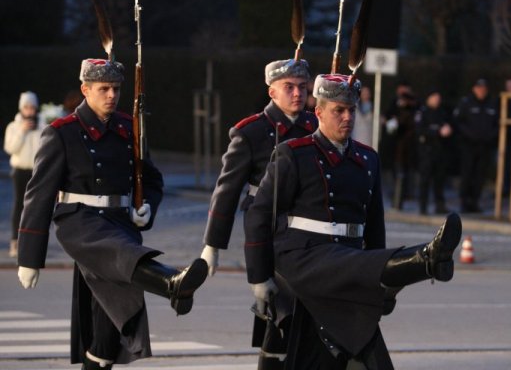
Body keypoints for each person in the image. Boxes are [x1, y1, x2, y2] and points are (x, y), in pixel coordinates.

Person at [245, 73, 463, 368]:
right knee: (339, 263)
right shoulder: (293, 154)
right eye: (338, 110)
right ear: (319, 112)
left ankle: (416, 264)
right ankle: (423, 259)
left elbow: (374, 226)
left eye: (351, 110)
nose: (347, 117)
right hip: (302, 258)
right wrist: (259, 277)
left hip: (348, 264)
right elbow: (259, 215)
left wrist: (380, 285)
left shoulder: (368, 158)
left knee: (368, 355)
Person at [16, 58, 208, 369]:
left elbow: (152, 178)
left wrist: (147, 205)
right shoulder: (61, 132)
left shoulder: (126, 127)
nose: (111, 95)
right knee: (121, 252)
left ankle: (167, 290)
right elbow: (38, 195)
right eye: (103, 89)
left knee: (107, 331)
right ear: (85, 90)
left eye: (116, 89)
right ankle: (171, 283)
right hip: (81, 223)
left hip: (120, 221)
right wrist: (29, 257)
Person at [200, 58, 316, 369]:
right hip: (268, 230)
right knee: (281, 314)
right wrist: (213, 245)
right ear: (272, 91)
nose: (297, 94)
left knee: (292, 319)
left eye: (303, 88)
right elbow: (226, 191)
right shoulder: (251, 132)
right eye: (289, 87)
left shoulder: (314, 127)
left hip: (308, 233)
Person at [3, 91, 43, 258]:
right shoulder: (13, 126)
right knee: (19, 206)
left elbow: (46, 148)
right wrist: (22, 132)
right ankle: (15, 242)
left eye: (32, 107)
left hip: (37, 171)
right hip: (19, 171)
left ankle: (32, 244)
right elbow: (10, 149)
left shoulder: (42, 125)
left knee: (36, 209)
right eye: (26, 107)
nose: (29, 111)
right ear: (21, 108)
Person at [453, 78, 498, 213]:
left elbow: (497, 124)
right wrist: (469, 135)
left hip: (485, 145)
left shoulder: (492, 104)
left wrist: (490, 136)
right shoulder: (466, 103)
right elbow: (459, 122)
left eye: (484, 89)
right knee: (467, 173)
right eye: (479, 89)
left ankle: (475, 201)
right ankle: (464, 201)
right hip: (469, 145)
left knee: (480, 175)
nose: (481, 91)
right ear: (474, 89)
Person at [414, 90, 452, 215]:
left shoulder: (442, 112)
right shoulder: (422, 112)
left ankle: (439, 205)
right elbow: (420, 130)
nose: (437, 100)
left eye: (438, 98)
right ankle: (423, 206)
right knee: (425, 179)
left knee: (439, 180)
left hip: (440, 150)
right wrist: (437, 132)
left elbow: (448, 125)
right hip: (427, 151)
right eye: (434, 97)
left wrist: (447, 130)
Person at [383, 83, 417, 208]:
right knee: (397, 171)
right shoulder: (395, 105)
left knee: (404, 171)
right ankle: (397, 197)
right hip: (396, 145)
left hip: (407, 146)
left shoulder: (412, 108)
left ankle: (402, 195)